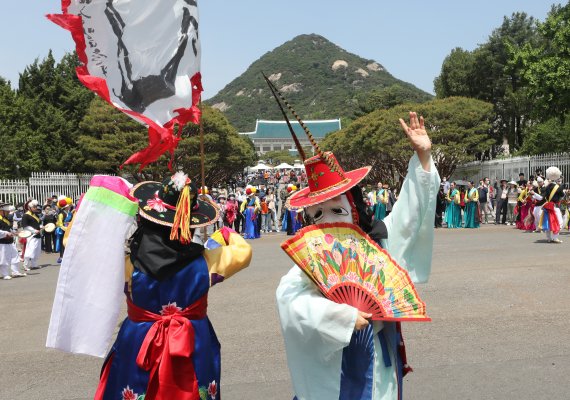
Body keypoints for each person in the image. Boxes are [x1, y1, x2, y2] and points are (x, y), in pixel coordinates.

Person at [276, 111, 439, 400]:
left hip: (377, 358)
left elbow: (409, 214)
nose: (328, 221)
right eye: (317, 215)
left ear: (355, 210)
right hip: (331, 370)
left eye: (337, 210)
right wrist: (340, 316)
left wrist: (423, 158)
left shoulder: (379, 244)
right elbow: (291, 302)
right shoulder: (306, 267)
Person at [47, 173, 252, 399]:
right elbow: (243, 251)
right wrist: (225, 234)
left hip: (138, 337)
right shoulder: (208, 261)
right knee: (195, 387)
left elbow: (76, 243)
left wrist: (88, 210)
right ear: (189, 225)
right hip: (193, 338)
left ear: (148, 220)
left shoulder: (126, 264)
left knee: (134, 387)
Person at [536, 167, 565, 243]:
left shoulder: (546, 187)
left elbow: (541, 197)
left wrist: (534, 194)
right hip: (555, 207)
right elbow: (562, 195)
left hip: (547, 206)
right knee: (560, 222)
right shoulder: (558, 187)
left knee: (547, 222)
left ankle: (549, 238)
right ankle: (555, 237)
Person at [0, 202, 26, 279]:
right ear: (1, 211)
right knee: (3, 258)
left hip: (10, 242)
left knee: (15, 256)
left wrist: (16, 233)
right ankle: (5, 274)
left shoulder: (6, 219)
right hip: (2, 243)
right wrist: (6, 233)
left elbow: (10, 229)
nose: (8, 213)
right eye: (7, 212)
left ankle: (15, 272)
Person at [22, 199, 42, 270]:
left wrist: (41, 227)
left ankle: (34, 264)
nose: (36, 208)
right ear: (29, 207)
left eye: (36, 206)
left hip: (38, 235)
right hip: (31, 235)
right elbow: (25, 226)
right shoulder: (26, 215)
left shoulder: (36, 215)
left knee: (37, 250)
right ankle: (25, 265)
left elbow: (38, 224)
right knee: (30, 250)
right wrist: (33, 230)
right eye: (34, 207)